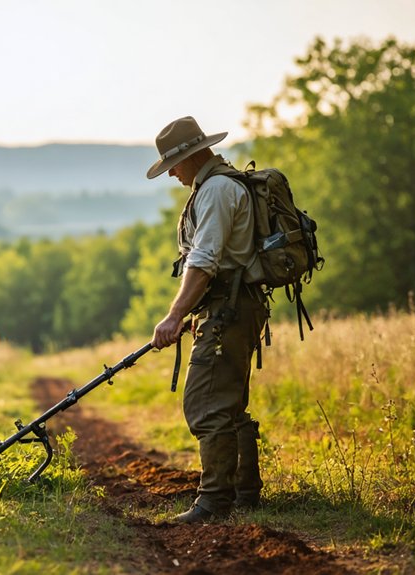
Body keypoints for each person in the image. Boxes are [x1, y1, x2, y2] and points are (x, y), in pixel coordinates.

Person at [147, 116, 267, 524]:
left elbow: (203, 261)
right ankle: (245, 494)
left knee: (205, 403)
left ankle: (216, 501)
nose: (173, 175)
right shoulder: (219, 184)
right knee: (227, 400)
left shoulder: (216, 190)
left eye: (174, 166)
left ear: (193, 156)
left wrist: (174, 314)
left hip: (229, 309)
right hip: (231, 307)